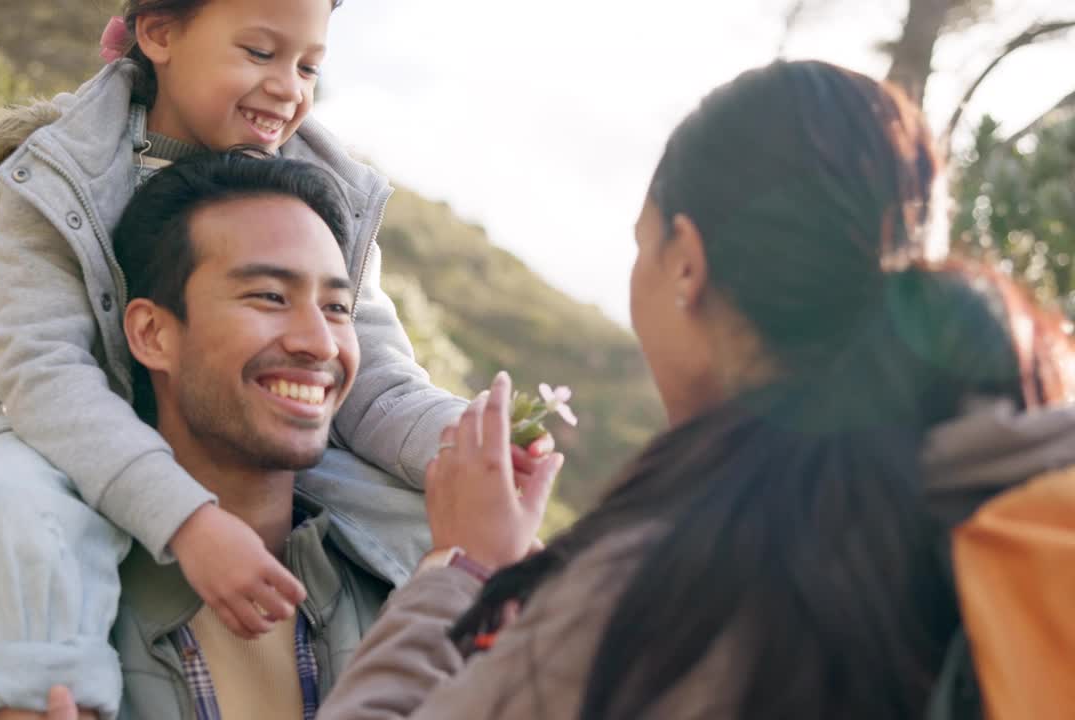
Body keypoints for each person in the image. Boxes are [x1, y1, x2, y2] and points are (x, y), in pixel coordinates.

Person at [310, 60, 1075, 720]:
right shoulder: (1037, 496)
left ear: (686, 264)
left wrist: (464, 568)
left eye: (643, 247)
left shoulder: (675, 591)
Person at [0, 2, 470, 718]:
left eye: (309, 65)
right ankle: (39, 693)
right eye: (259, 53)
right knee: (7, 493)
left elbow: (376, 381)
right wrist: (187, 520)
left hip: (261, 437)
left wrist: (474, 445)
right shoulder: (58, 171)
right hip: (63, 435)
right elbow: (44, 373)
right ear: (159, 33)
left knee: (433, 510)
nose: (288, 86)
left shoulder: (325, 191)